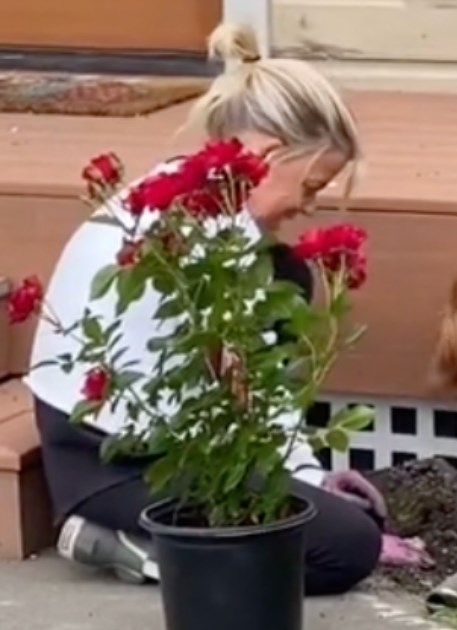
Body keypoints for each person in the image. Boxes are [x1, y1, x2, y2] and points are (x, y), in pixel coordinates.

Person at [25, 22, 394, 596]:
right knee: (347, 546)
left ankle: (174, 540)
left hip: (167, 444)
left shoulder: (210, 213)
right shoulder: (193, 241)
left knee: (288, 273)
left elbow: (250, 400)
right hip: (112, 464)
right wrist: (297, 488)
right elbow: (225, 412)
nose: (309, 206)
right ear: (268, 156)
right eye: (312, 185)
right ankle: (146, 550)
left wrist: (309, 478)